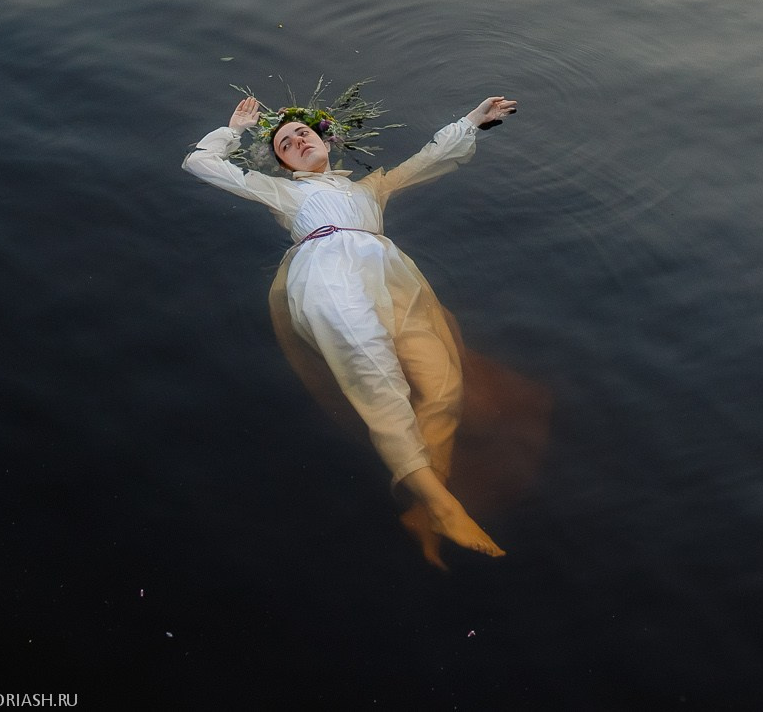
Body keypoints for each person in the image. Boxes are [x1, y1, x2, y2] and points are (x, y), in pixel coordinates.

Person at [183, 91, 518, 563]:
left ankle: (427, 503)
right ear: (281, 163)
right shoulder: (280, 190)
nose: (298, 140)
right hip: (325, 275)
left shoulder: (368, 190)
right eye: (285, 143)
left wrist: (473, 121)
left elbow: (427, 160)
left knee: (443, 386)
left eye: (303, 132)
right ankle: (443, 505)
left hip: (392, 274)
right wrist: (235, 130)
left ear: (325, 141)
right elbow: (199, 164)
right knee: (381, 385)